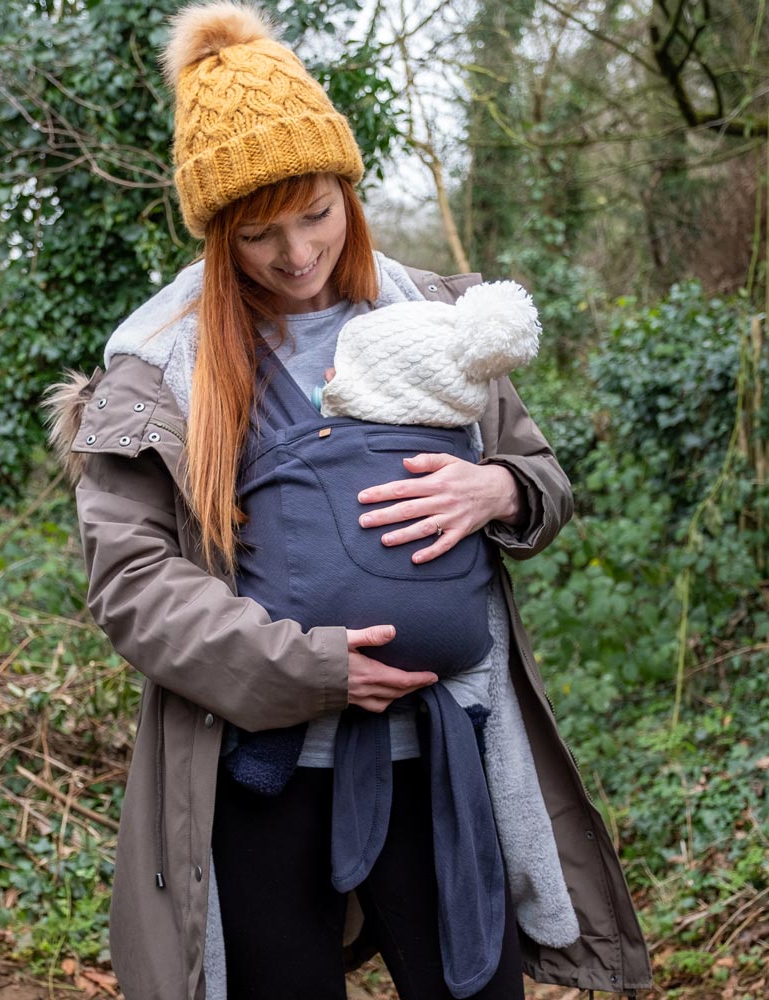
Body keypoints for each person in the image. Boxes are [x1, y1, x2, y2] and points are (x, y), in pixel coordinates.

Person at [47, 3, 652, 999]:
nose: (295, 255)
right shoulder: (162, 368)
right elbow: (134, 586)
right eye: (258, 234)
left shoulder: (434, 319)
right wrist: (310, 667)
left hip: (444, 762)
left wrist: (498, 485)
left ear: (349, 189)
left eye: (316, 213)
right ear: (217, 237)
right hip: (262, 777)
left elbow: (542, 479)